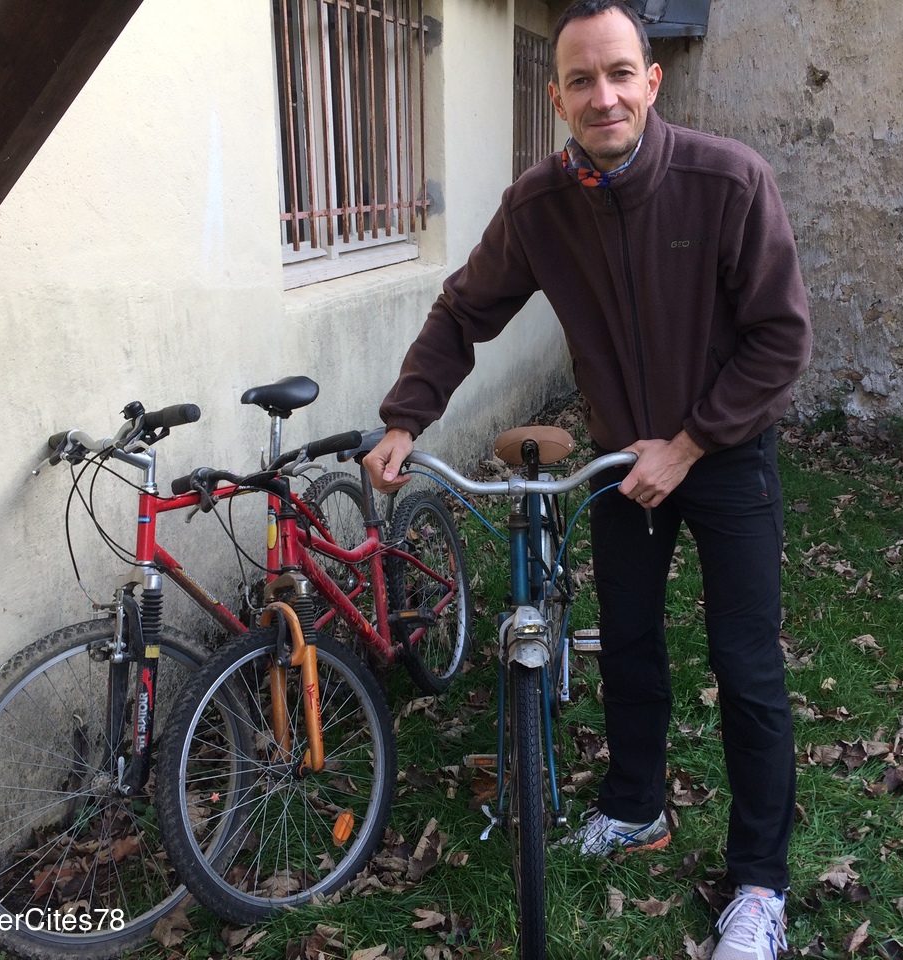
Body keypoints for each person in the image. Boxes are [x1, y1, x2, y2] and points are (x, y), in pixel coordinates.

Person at [365, 1, 811, 956]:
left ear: (653, 81)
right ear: (557, 98)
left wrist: (686, 445)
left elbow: (781, 339)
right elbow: (463, 311)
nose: (602, 96)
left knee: (745, 666)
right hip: (618, 464)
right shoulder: (539, 207)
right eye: (580, 80)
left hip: (724, 457)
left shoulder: (728, 181)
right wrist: (406, 417)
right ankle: (635, 806)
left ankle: (760, 886)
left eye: (618, 73)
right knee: (631, 643)